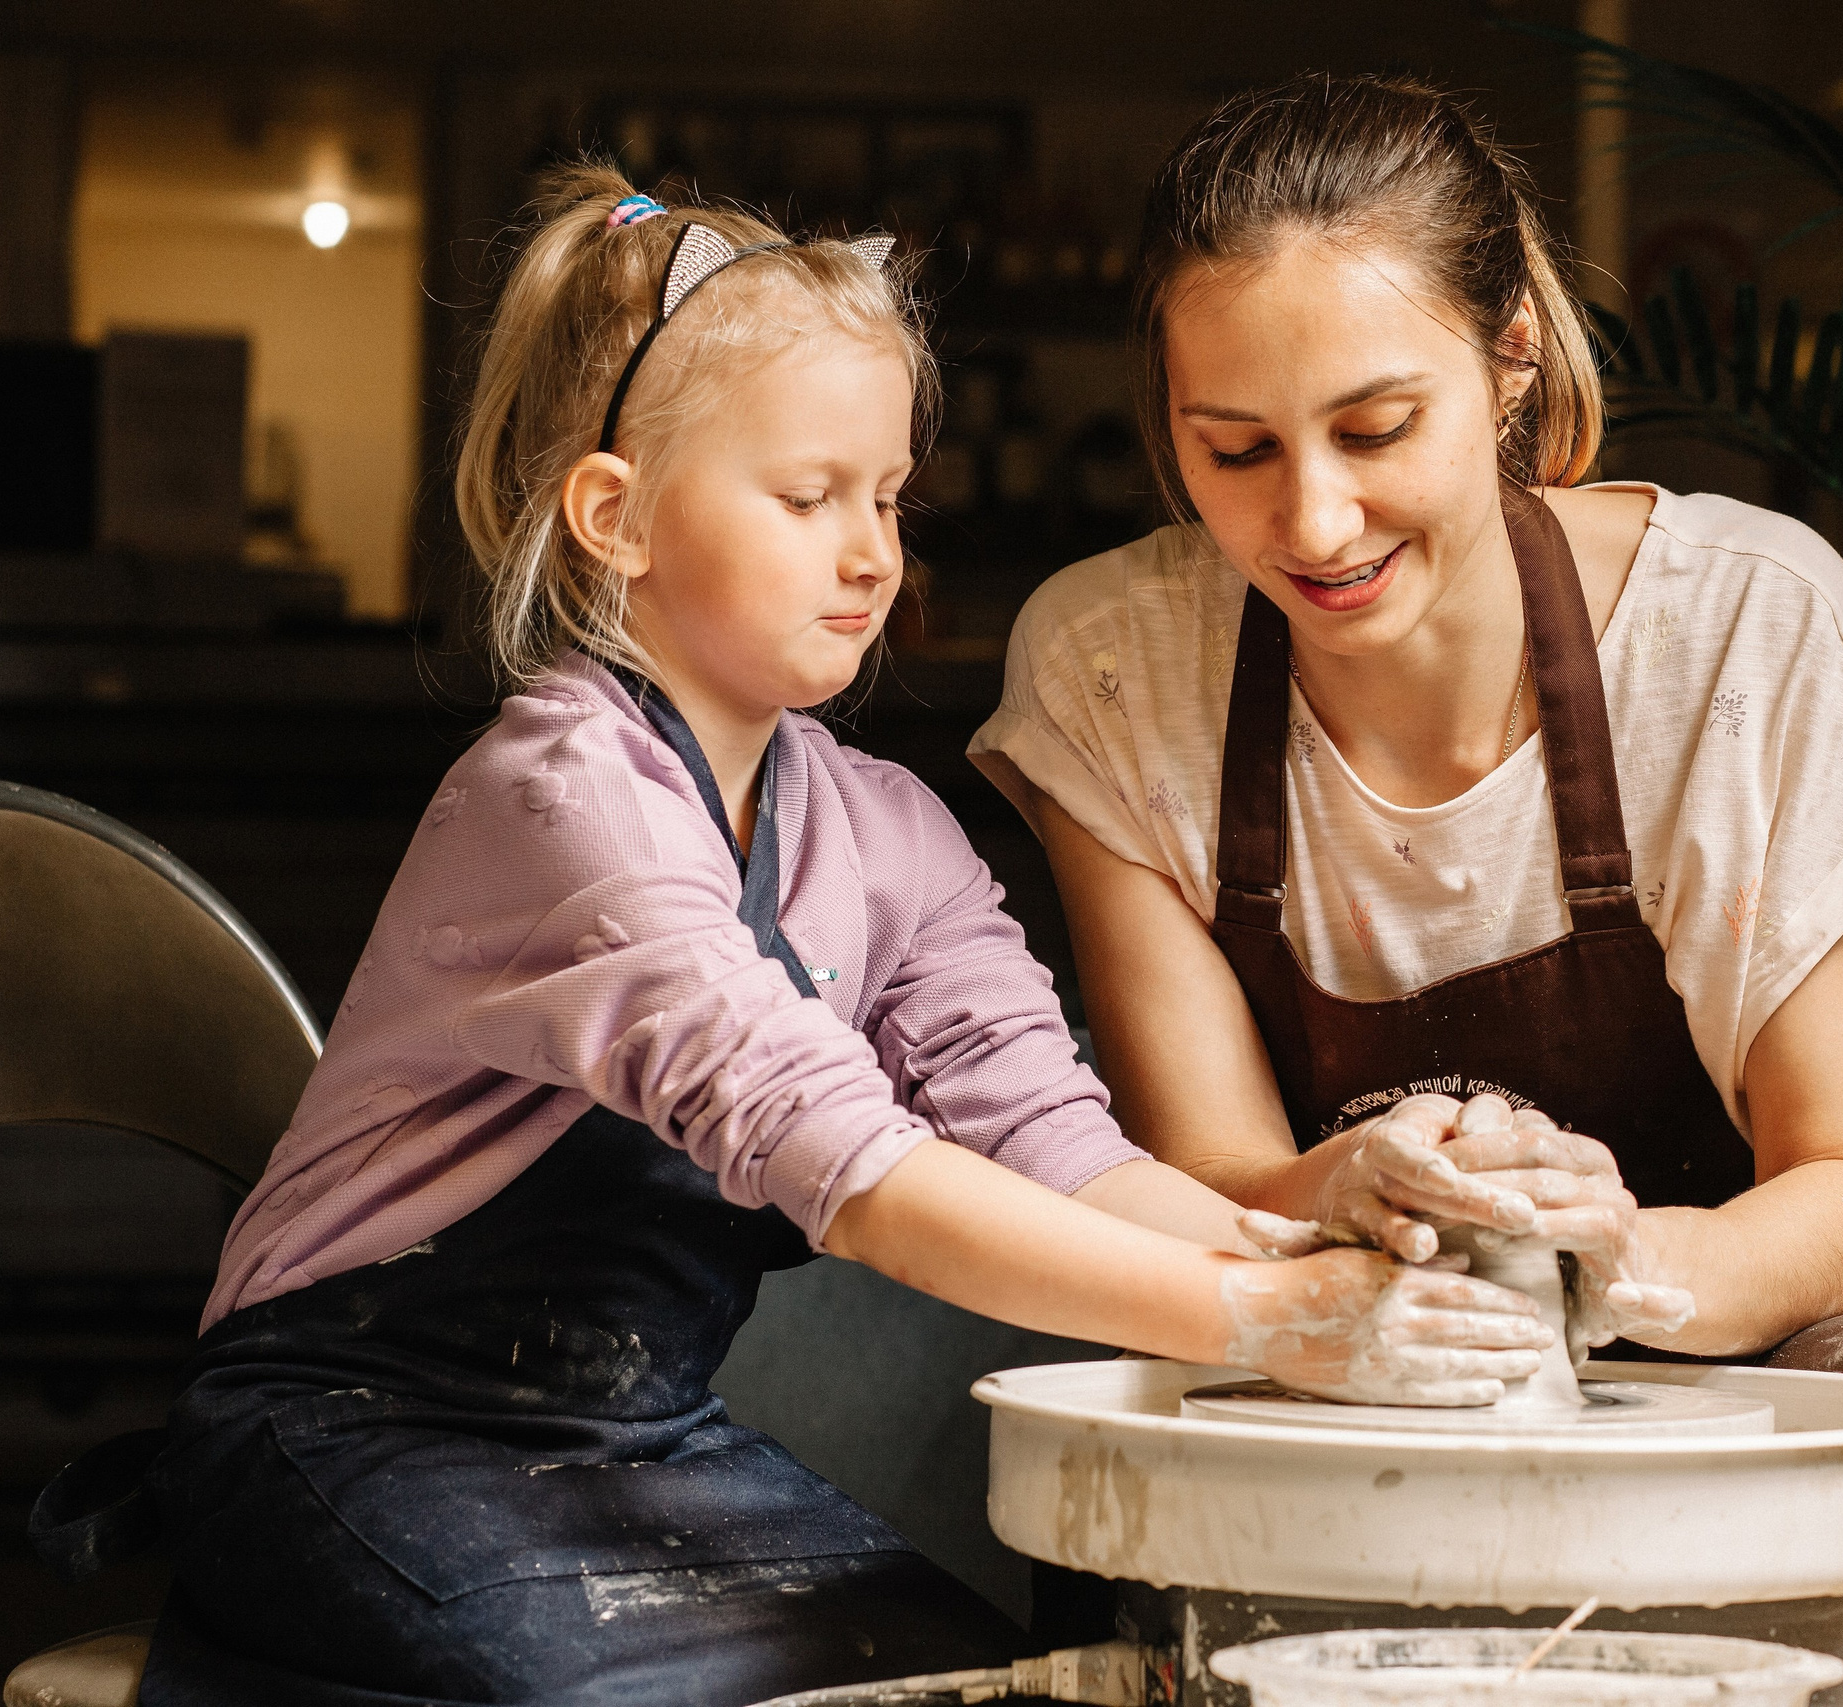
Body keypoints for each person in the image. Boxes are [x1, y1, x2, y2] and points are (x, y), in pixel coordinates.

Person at [133, 169, 1552, 1707]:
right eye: (810, 500)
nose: (874, 553)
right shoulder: (559, 799)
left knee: (994, 1688)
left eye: (888, 498)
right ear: (615, 517)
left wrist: (1334, 1250)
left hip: (633, 1443)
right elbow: (855, 1175)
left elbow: (1063, 1156)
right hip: (339, 1429)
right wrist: (1267, 1319)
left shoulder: (886, 831)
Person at [968, 75, 1843, 1702]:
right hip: (1338, 1333)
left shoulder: (1748, 634)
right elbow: (1205, 1174)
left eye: (1375, 428)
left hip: (1758, 1330)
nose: (1313, 519)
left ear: (1509, 366)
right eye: (1236, 449)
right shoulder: (1116, 667)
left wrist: (1614, 1268)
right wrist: (1350, 1188)